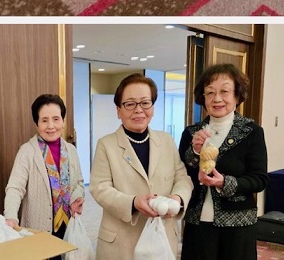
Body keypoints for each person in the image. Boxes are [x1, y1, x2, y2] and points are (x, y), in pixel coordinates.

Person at [90, 74, 193, 259]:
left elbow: (182, 178)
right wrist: (133, 202)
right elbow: (100, 188)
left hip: (162, 239)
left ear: (152, 107)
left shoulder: (166, 140)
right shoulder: (106, 144)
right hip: (121, 242)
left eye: (145, 103)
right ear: (118, 110)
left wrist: (177, 198)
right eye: (130, 104)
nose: (139, 110)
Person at [179, 64, 268, 260]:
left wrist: (224, 183)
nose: (217, 99)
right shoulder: (191, 133)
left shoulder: (251, 132)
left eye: (225, 91)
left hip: (238, 225)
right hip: (198, 222)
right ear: (203, 97)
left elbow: (259, 180)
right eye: (210, 92)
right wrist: (195, 151)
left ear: (237, 95)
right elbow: (181, 175)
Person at [4, 94, 84, 240]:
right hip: (39, 227)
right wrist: (11, 216)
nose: (51, 126)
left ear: (63, 121)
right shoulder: (27, 151)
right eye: (44, 120)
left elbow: (79, 182)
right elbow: (15, 187)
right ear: (37, 124)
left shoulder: (71, 150)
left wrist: (76, 197)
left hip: (68, 224)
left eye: (56, 119)